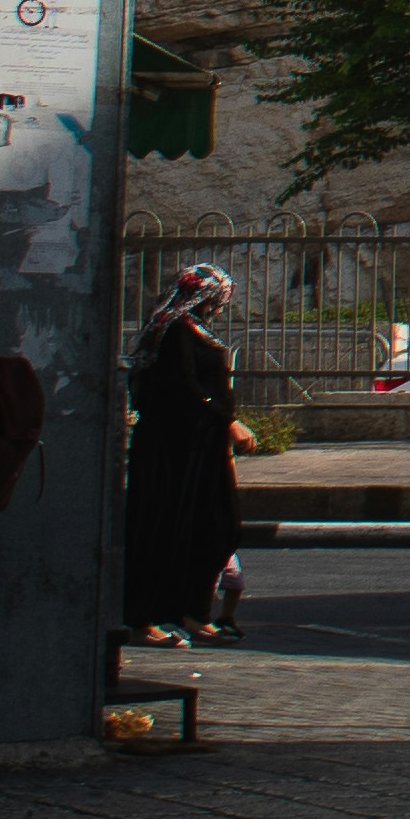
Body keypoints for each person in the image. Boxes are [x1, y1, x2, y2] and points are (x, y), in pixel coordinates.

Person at [124, 260, 240, 644]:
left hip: (200, 451)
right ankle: (143, 619)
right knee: (161, 529)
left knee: (212, 527)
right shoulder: (174, 330)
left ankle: (192, 611)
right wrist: (228, 421)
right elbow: (186, 388)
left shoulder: (193, 328)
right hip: (172, 453)